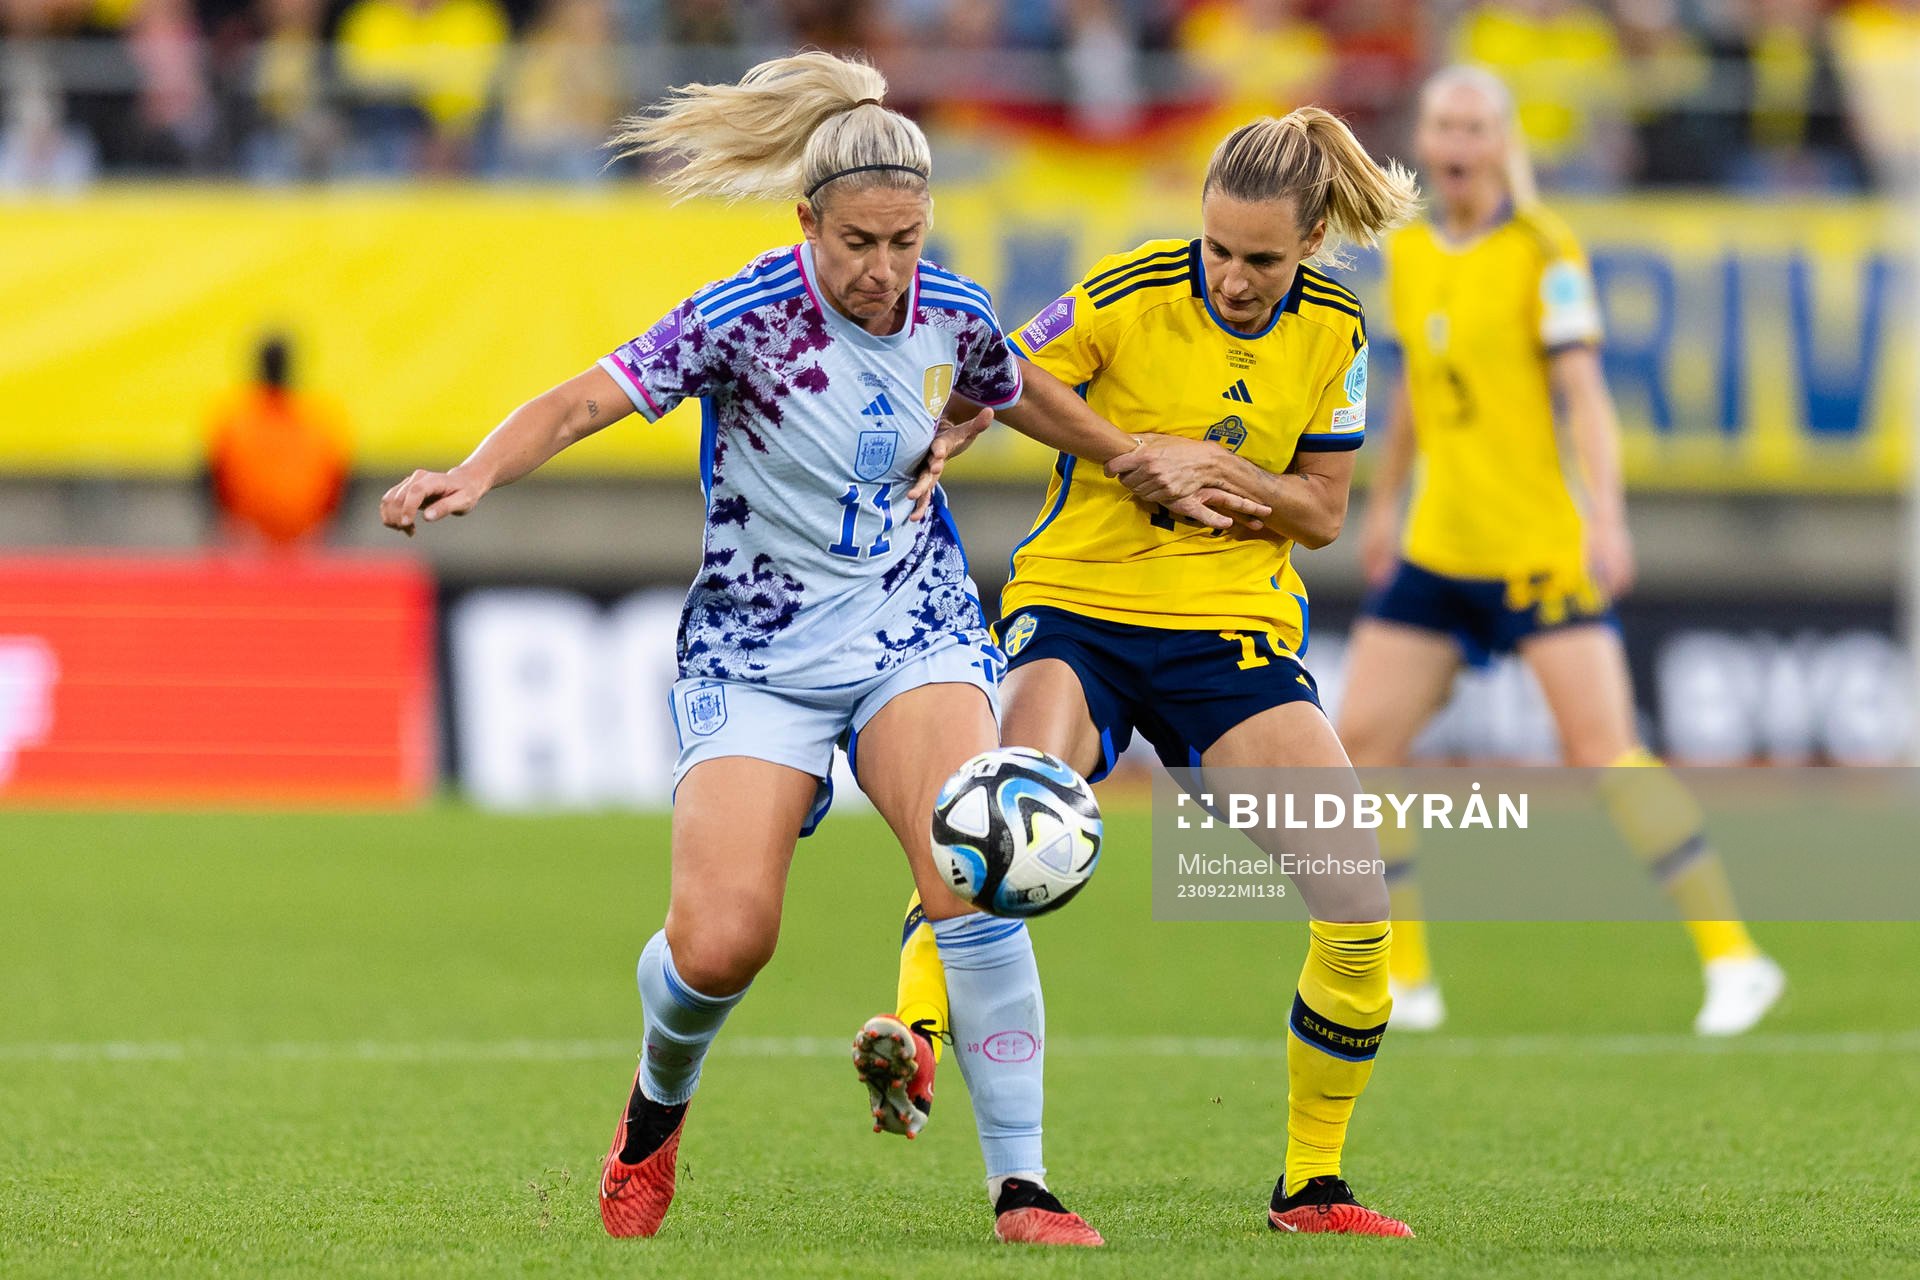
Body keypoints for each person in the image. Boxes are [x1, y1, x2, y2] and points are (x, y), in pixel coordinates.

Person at [378, 52, 1259, 1246]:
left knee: (976, 871)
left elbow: (1015, 389)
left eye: (903, 239)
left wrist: (1128, 454)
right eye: (858, 242)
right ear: (807, 222)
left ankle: (1024, 1185)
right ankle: (654, 1108)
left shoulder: (948, 309)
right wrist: (473, 470)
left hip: (913, 623)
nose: (883, 269)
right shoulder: (741, 317)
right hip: (756, 651)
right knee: (723, 939)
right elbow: (586, 397)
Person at [859, 106, 1421, 1238]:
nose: (1235, 275)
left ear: (1310, 241)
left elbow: (1318, 511)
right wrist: (1072, 443)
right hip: (1084, 616)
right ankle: (914, 1038)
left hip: (1232, 639)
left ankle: (1311, 1182)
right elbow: (1005, 373)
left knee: (1357, 902)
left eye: (1262, 258)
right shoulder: (1130, 290)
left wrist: (1211, 465)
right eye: (1219, 248)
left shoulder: (1338, 332)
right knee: (996, 813)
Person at [1338, 65, 1785, 1035]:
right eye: (1443, 123)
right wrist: (1383, 506)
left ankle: (1735, 955)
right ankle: (1403, 976)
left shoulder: (1545, 249)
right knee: (1363, 745)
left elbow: (1584, 396)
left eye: (1474, 126)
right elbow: (1417, 385)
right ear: (1426, 135)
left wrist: (1605, 516)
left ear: (1501, 143)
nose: (1456, 141)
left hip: (1534, 546)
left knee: (1602, 749)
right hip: (1437, 546)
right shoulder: (1411, 254)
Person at [207, 334, 352, 546]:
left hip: (285, 541)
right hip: (260, 541)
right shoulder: (319, 420)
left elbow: (212, 481)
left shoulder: (234, 420)